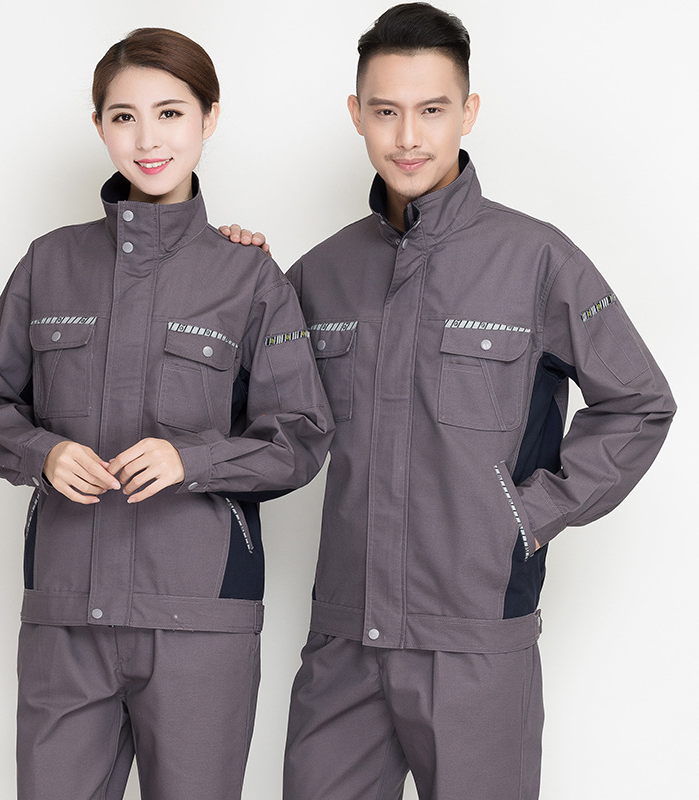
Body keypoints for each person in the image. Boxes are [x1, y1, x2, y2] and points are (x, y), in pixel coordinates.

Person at [225, 3, 675, 798]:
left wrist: (528, 516)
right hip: (344, 641)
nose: (408, 136)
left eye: (432, 110)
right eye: (386, 111)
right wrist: (227, 275)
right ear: (356, 114)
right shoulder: (321, 273)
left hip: (476, 640)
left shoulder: (538, 259)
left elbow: (639, 402)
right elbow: (250, 415)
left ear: (468, 113)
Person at [0, 27, 333, 800]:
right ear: (99, 125)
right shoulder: (49, 263)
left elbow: (300, 437)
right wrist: (42, 454)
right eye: (124, 117)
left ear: (209, 118)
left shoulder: (249, 277)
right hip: (65, 617)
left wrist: (193, 460)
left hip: (201, 622)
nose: (148, 139)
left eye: (170, 113)